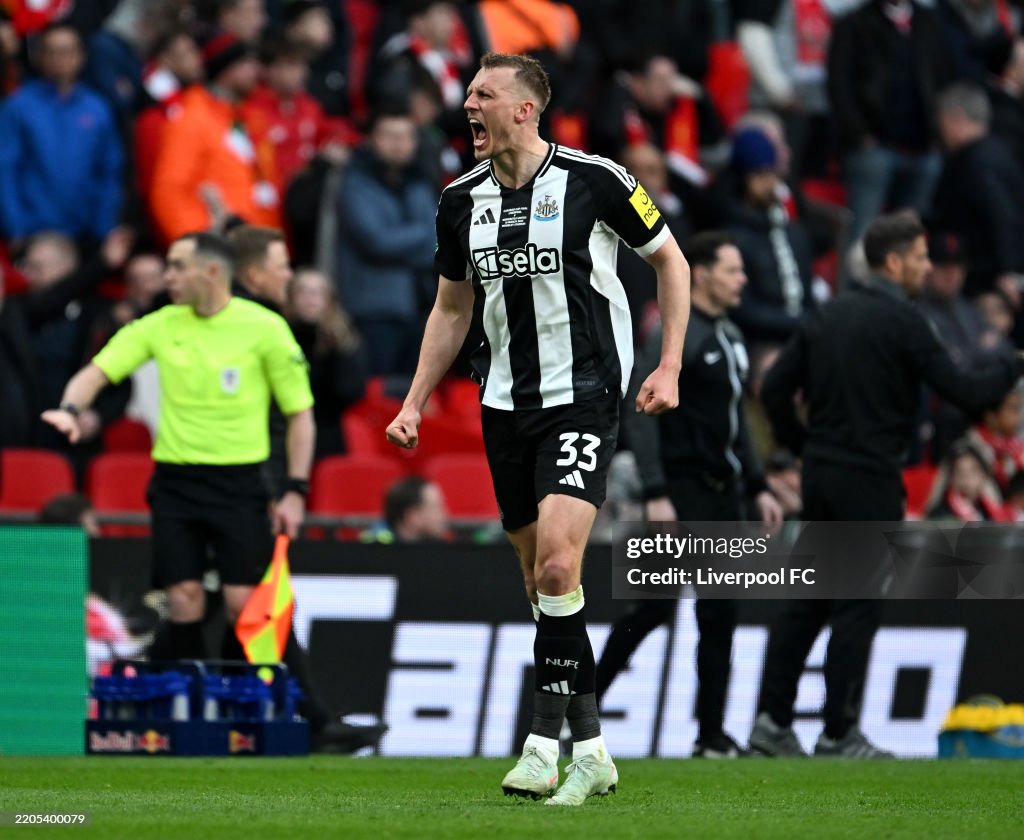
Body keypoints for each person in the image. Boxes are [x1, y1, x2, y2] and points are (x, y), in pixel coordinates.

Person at [386, 53, 690, 805]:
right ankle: (589, 748)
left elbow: (671, 262)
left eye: (484, 94)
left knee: (558, 567)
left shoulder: (598, 180)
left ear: (526, 108)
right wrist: (415, 399)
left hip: (584, 396)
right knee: (542, 584)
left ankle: (539, 742)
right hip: (502, 406)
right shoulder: (459, 200)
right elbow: (451, 309)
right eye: (468, 94)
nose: (468, 105)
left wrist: (670, 365)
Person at [752, 211, 1023, 758]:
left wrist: (803, 445)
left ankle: (771, 724)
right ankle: (838, 733)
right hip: (870, 476)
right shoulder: (905, 322)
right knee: (857, 606)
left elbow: (776, 388)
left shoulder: (826, 315)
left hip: (823, 474)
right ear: (894, 261)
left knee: (808, 602)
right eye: (921, 258)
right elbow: (966, 391)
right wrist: (1013, 363)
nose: (927, 268)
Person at [598, 231, 783, 759]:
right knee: (652, 611)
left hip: (722, 499)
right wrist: (657, 492)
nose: (741, 279)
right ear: (700, 274)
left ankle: (711, 736)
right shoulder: (679, 338)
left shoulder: (727, 336)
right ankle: (577, 717)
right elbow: (646, 415)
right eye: (732, 270)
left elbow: (737, 424)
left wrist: (758, 484)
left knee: (720, 615)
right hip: (680, 496)